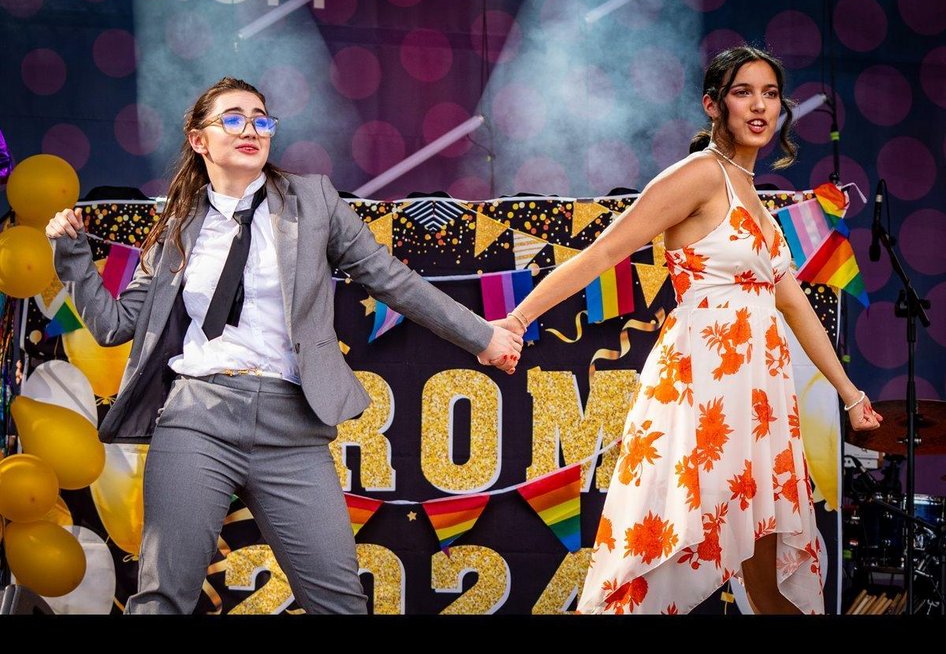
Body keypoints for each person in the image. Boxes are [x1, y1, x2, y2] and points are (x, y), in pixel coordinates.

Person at [46, 77, 523, 614]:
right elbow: (114, 327)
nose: (251, 128)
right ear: (199, 140)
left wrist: (482, 336)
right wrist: (73, 259)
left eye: (261, 119)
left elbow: (391, 279)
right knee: (162, 599)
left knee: (340, 602)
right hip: (198, 416)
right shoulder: (178, 225)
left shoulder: (312, 200)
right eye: (233, 118)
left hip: (292, 426)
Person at [497, 47, 882, 615]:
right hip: (703, 393)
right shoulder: (700, 175)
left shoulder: (755, 199)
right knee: (654, 552)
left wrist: (850, 394)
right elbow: (604, 252)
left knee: (768, 579)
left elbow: (795, 306)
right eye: (743, 92)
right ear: (713, 104)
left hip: (759, 402)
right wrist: (517, 319)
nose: (759, 106)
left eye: (770, 94)